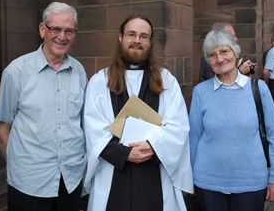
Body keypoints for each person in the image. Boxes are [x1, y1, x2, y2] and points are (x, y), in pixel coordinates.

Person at [83, 14, 193, 211]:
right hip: (113, 172)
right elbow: (93, 129)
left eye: (144, 36)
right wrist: (125, 153)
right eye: (131, 34)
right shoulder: (100, 81)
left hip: (155, 171)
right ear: (121, 38)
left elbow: (179, 127)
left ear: (150, 41)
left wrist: (153, 146)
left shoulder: (167, 81)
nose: (137, 40)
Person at [0, 2, 87, 211]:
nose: (62, 36)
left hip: (70, 179)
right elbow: (1, 130)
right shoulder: (16, 72)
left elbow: (81, 122)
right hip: (29, 184)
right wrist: (21, 167)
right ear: (43, 29)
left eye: (69, 31)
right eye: (56, 29)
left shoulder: (79, 71)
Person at [189, 29, 274, 211]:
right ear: (207, 61)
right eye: (212, 55)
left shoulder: (259, 89)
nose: (219, 59)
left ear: (235, 52)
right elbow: (193, 138)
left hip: (251, 182)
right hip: (208, 182)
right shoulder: (200, 92)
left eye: (224, 51)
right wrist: (190, 178)